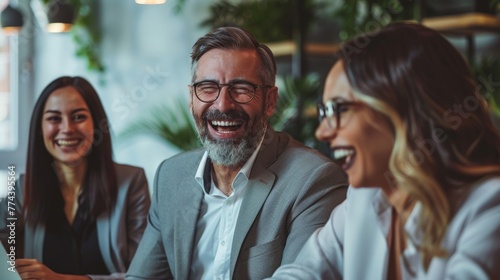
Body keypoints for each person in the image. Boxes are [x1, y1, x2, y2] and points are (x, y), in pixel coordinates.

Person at [268, 22, 500, 279]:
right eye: (324, 112)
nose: (322, 132)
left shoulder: (489, 207)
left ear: (402, 110)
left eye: (339, 109)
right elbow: (303, 273)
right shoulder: (363, 198)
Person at [125, 26, 348, 279]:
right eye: (208, 88)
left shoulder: (313, 180)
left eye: (241, 89)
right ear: (191, 98)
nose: (222, 104)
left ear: (270, 101)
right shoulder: (171, 176)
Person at [0, 76, 151, 280]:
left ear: (96, 123)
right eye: (54, 118)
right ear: (39, 129)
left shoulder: (131, 182)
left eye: (78, 117)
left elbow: (144, 274)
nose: (67, 128)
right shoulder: (22, 189)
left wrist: (60, 279)